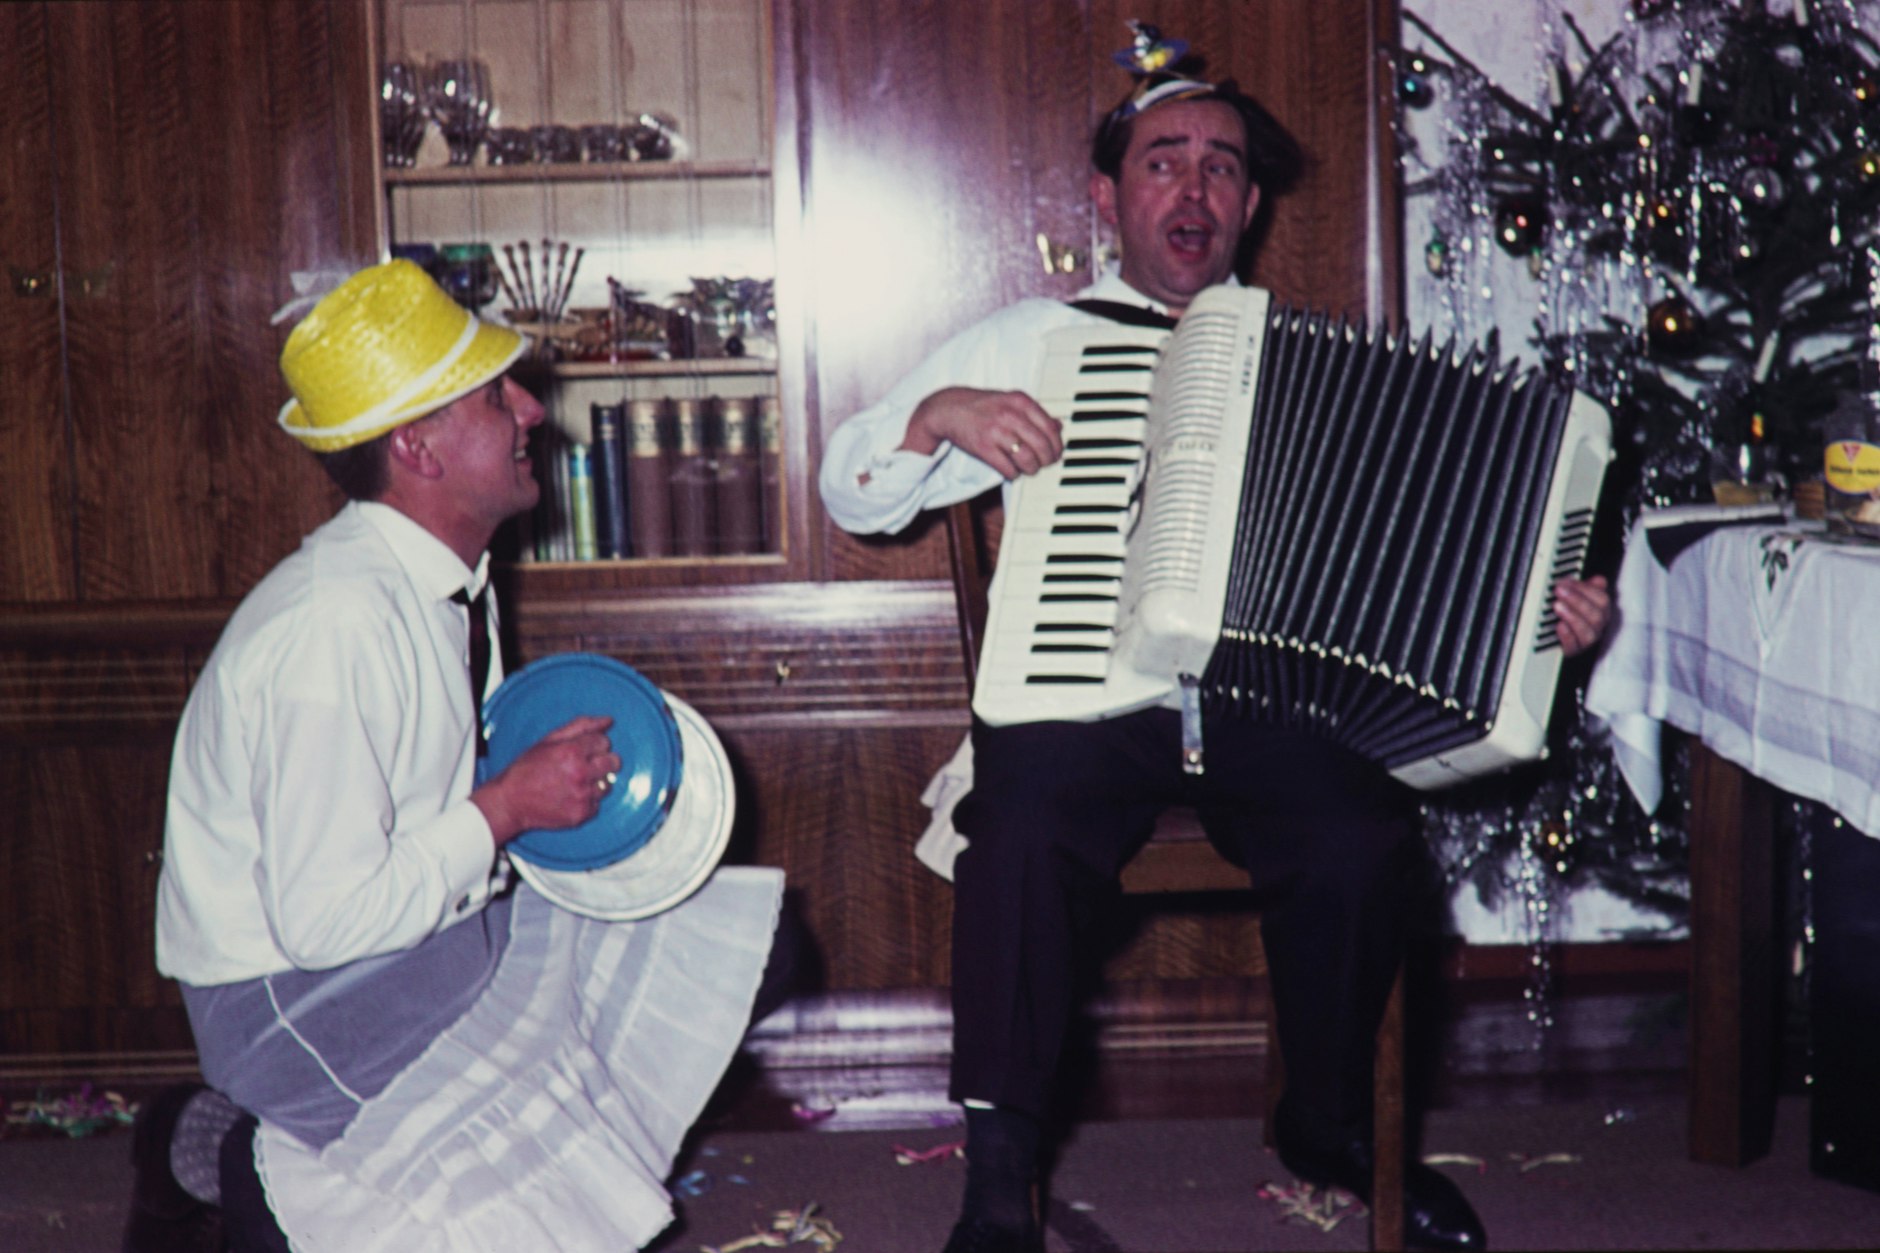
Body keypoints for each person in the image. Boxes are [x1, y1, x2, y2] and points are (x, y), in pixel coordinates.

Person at [819, 28, 1611, 1253]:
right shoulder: (1030, 337)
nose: (1192, 190)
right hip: (1081, 699)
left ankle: (1325, 1121)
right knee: (1019, 827)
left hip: (1265, 705)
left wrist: (1543, 617)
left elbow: (1433, 563)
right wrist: (935, 414)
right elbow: (851, 487)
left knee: (1357, 832)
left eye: (1221, 168)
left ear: (1247, 203)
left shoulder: (1318, 366)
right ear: (1105, 194)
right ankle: (997, 1171)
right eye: (1161, 162)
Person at [124, 258, 784, 1253]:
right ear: (416, 446)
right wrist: (508, 806)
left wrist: (537, 796)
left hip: (418, 940)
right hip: (297, 998)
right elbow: (324, 918)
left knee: (740, 947)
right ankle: (222, 1153)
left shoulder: (441, 577)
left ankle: (289, 1158)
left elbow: (432, 807)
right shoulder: (332, 625)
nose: (531, 408)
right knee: (509, 1202)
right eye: (493, 394)